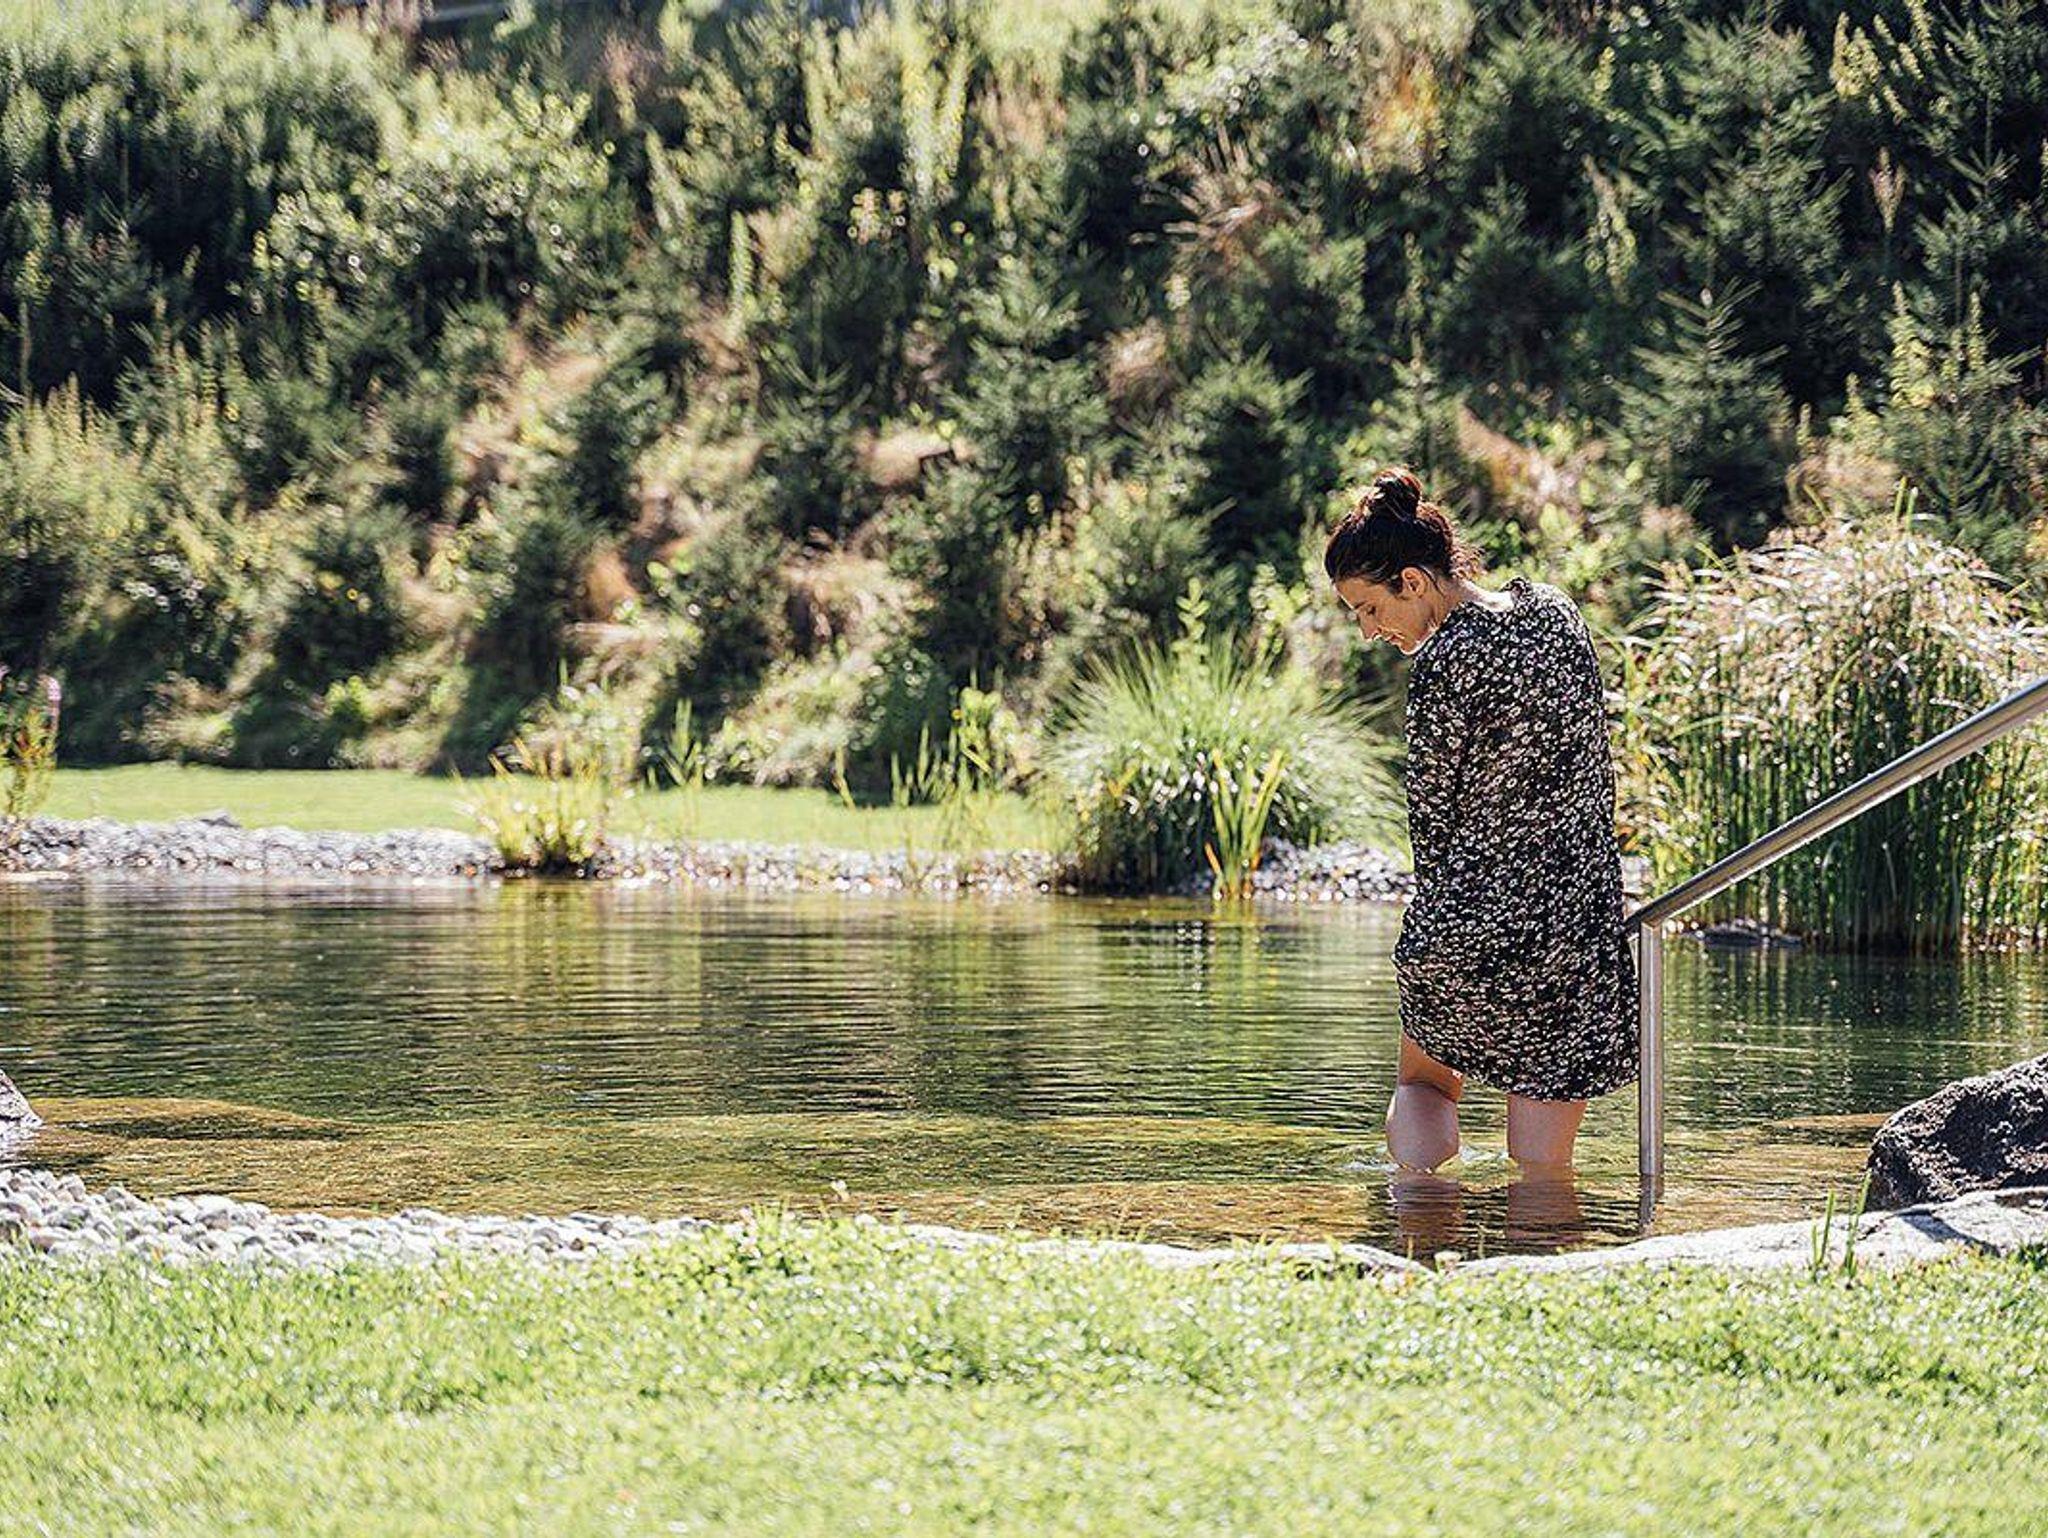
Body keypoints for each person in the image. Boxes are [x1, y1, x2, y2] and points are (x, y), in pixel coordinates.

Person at [1324, 466, 1637, 1177]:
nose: (1369, 631)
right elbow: (1594, 765)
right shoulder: (1555, 612)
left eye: (1369, 608)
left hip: (1468, 922)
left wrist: (1441, 918)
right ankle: (1543, 1237)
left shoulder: (1444, 664)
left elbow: (1432, 819)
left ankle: (1421, 1225)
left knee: (1425, 1087)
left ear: (1412, 581)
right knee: (1543, 1169)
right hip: (1568, 923)